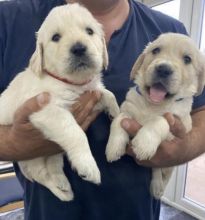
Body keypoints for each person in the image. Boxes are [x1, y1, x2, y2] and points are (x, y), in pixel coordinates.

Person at [0, 0, 205, 219]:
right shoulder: (7, 18)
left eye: (89, 31)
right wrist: (12, 143)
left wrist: (182, 149)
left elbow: (199, 111)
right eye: (56, 38)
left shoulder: (171, 30)